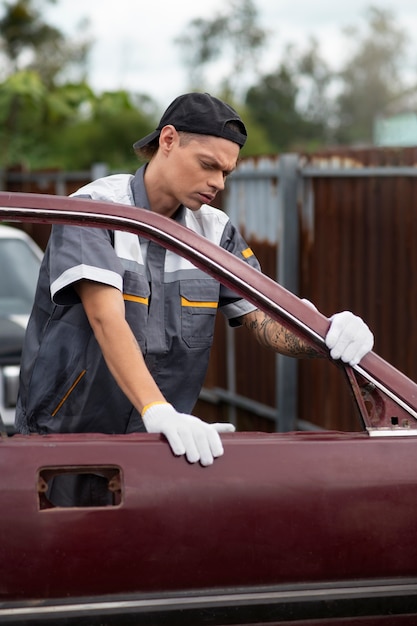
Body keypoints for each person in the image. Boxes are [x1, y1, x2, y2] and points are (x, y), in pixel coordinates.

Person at [16, 93, 373, 503]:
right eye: (208, 165)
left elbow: (262, 318)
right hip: (65, 449)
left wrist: (326, 335)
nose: (218, 183)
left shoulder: (215, 234)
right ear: (168, 140)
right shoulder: (94, 210)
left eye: (227, 172)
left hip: (161, 450)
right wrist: (160, 411)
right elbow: (105, 318)